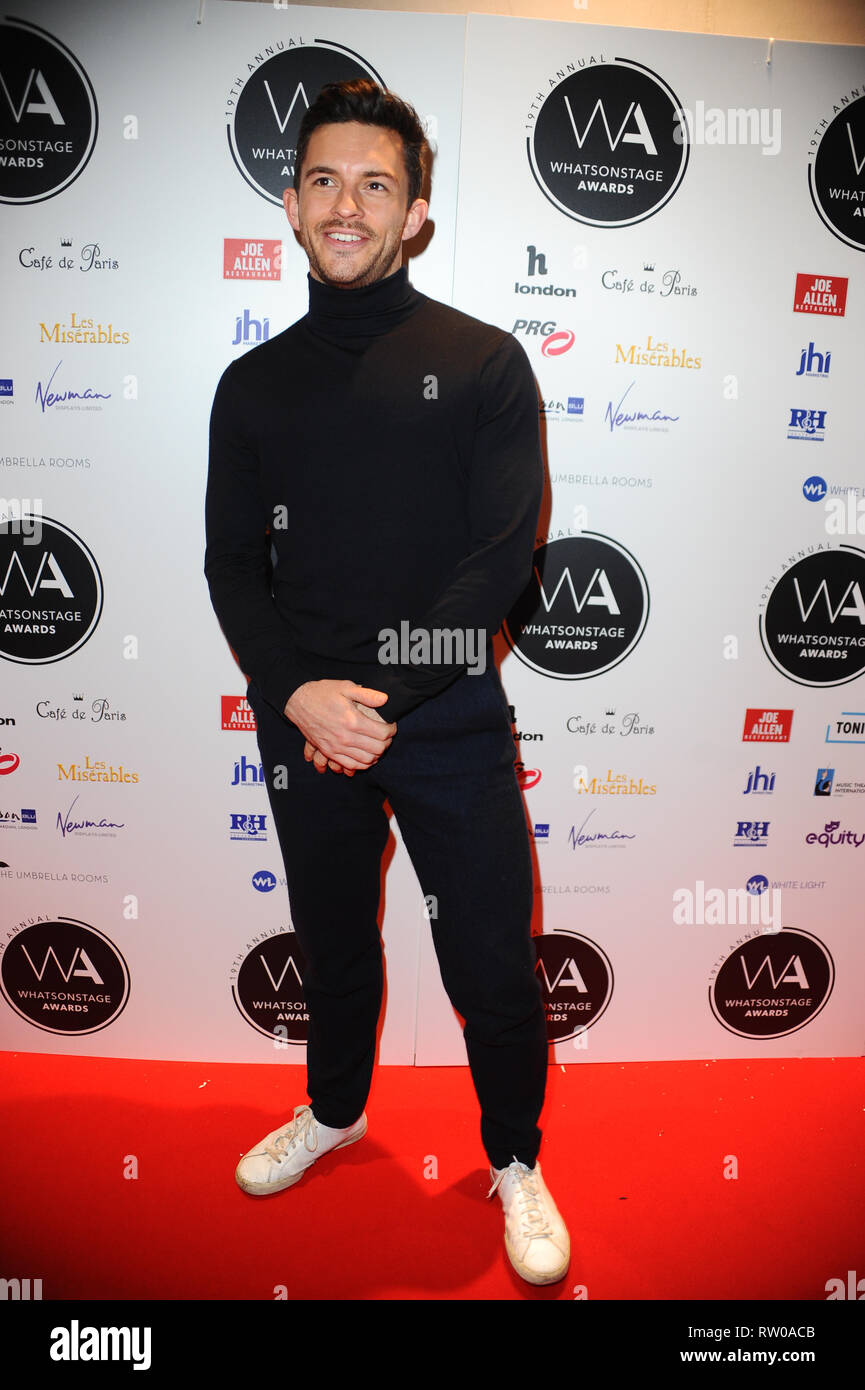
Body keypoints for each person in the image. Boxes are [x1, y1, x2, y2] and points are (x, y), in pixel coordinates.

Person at [204, 78, 569, 1288]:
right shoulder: (252, 387)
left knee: (490, 967)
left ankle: (514, 1158)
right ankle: (337, 1109)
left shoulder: (481, 364)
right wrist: (303, 694)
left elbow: (498, 561)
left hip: (447, 718)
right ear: (292, 205)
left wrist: (374, 700)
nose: (346, 204)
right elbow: (230, 565)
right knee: (331, 942)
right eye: (323, 181)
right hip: (303, 724)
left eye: (375, 183)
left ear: (414, 211)